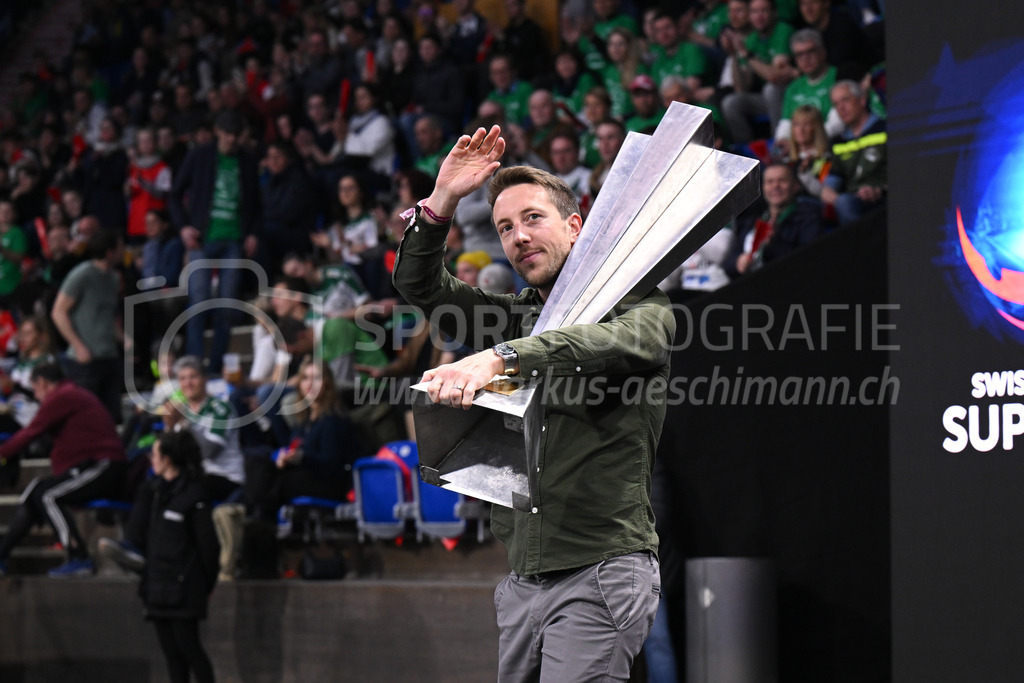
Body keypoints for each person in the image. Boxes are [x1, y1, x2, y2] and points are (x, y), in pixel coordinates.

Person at [393, 126, 670, 680]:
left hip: (601, 571)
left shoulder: (639, 305)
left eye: (533, 219)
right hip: (523, 581)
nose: (518, 236)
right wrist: (442, 202)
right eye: (505, 228)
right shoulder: (514, 315)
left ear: (575, 226)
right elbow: (422, 287)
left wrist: (501, 358)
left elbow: (609, 343)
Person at [101, 430, 220, 683]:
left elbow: (209, 547)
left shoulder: (193, 495)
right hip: (157, 585)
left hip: (184, 587)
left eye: (154, 454)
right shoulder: (152, 493)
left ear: (167, 459)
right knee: (172, 656)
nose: (150, 459)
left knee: (190, 650)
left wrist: (205, 584)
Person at [0, 363, 127, 578]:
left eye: (36, 389)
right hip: (88, 465)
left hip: (103, 465)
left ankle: (79, 557)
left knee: (48, 496)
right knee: (35, 492)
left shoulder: (63, 396)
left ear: (42, 383)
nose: (37, 396)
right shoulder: (69, 394)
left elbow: (31, 432)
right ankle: (1, 555)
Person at [169, 110, 262, 375]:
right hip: (202, 239)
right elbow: (175, 194)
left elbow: (256, 205)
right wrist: (184, 227)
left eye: (237, 135)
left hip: (234, 239)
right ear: (218, 132)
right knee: (198, 300)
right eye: (229, 134)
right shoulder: (200, 155)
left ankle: (216, 364)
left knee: (227, 306)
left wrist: (253, 232)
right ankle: (195, 364)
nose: (232, 140)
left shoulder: (247, 160)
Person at [50, 228, 124, 422]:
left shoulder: (114, 278)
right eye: (120, 247)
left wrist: (124, 339)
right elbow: (58, 311)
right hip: (86, 360)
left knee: (111, 417)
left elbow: (108, 315)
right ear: (110, 251)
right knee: (86, 416)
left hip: (109, 355)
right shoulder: (82, 275)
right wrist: (77, 345)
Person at [725, 162, 824, 277]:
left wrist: (774, 244)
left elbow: (809, 263)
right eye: (770, 182)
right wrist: (738, 263)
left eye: (782, 180)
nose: (775, 186)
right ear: (763, 187)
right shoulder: (752, 220)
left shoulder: (809, 219)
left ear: (795, 186)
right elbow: (727, 265)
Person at [820, 79, 886, 225]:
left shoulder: (886, 129)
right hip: (853, 201)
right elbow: (828, 188)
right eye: (836, 104)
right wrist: (838, 200)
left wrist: (879, 190)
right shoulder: (837, 142)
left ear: (862, 100)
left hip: (887, 198)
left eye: (845, 100)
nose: (841, 108)